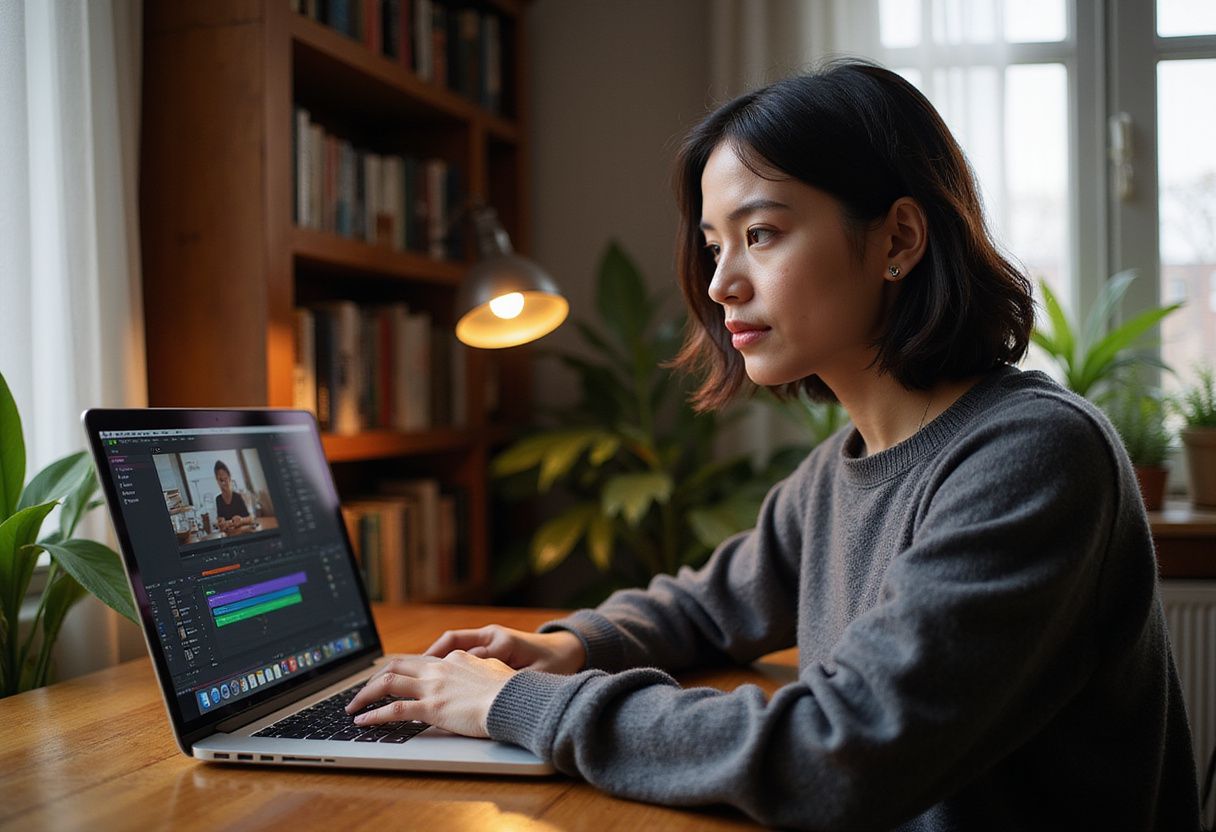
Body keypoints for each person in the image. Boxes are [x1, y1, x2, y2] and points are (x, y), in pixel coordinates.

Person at [345, 60, 1201, 829]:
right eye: (715, 245)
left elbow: (837, 752)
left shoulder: (1033, 455)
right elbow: (707, 607)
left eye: (760, 234)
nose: (720, 284)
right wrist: (568, 645)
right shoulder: (840, 468)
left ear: (899, 239)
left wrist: (520, 704)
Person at [213, 460, 252, 533]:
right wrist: (220, 522)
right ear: (217, 481)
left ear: (229, 478)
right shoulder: (218, 499)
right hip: (229, 536)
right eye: (221, 480)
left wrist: (241, 520)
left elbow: (250, 518)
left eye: (225, 479)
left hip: (242, 533)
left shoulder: (237, 497)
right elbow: (220, 519)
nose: (224, 483)